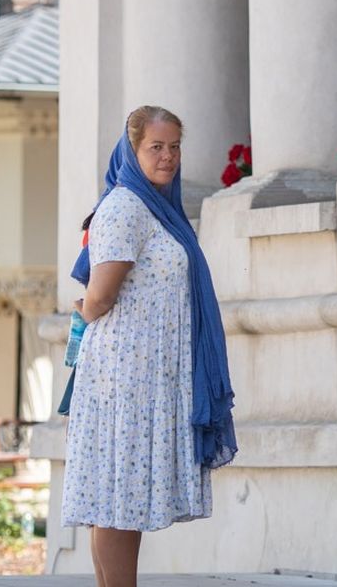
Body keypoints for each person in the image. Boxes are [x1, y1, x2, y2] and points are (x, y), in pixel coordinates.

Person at [62, 106, 237, 587]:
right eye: (156, 147)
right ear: (132, 149)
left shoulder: (157, 208)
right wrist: (83, 310)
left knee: (126, 498)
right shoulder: (124, 207)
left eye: (175, 146)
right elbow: (98, 297)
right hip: (124, 377)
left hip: (148, 376)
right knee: (116, 499)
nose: (168, 157)